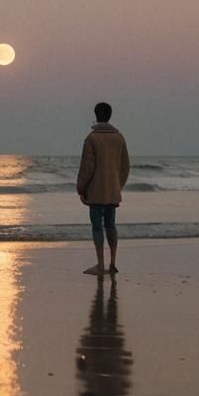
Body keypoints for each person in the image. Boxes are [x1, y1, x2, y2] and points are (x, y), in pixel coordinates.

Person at [76, 102, 130, 275]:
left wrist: (81, 188)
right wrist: (117, 185)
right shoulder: (119, 138)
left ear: (96, 115)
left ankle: (100, 264)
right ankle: (113, 263)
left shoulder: (92, 139)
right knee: (111, 225)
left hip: (96, 191)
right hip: (112, 190)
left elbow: (87, 168)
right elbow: (125, 167)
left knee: (97, 227)